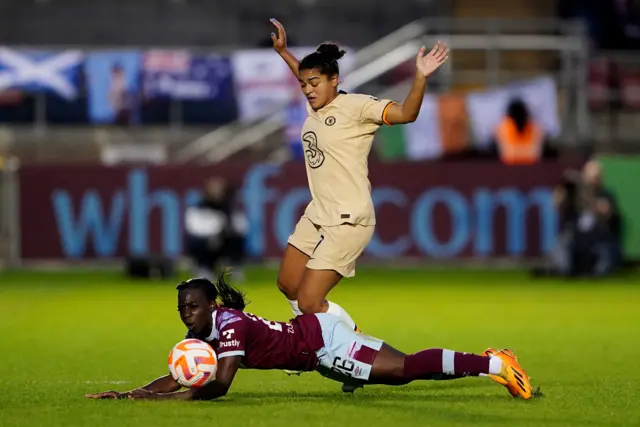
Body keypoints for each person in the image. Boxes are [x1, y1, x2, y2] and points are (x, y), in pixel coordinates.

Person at [85, 275, 535, 402]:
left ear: (210, 305)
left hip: (325, 345)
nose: (186, 314)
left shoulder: (230, 326)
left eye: (193, 306)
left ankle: (498, 364)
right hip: (317, 341)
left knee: (408, 368)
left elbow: (217, 384)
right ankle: (488, 360)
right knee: (403, 376)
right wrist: (134, 395)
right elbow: (183, 374)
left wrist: (167, 401)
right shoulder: (206, 329)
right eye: (182, 308)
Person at [269, 18, 450, 332]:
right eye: (303, 85)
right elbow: (307, 75)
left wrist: (420, 77)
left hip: (349, 217)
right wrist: (284, 53)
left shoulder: (358, 107)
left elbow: (407, 113)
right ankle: (310, 343)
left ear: (335, 80)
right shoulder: (317, 106)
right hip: (319, 211)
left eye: (314, 83)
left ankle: (352, 342)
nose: (308, 90)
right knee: (287, 284)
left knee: (311, 301)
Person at [184, 178, 247, 282]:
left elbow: (242, 226)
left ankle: (234, 269)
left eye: (220, 190)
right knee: (198, 241)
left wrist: (225, 231)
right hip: (205, 243)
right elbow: (193, 228)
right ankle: (204, 268)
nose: (217, 194)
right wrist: (214, 232)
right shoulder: (198, 208)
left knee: (237, 239)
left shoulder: (230, 209)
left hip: (224, 242)